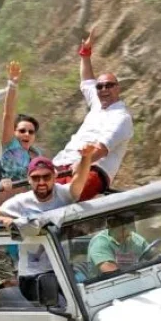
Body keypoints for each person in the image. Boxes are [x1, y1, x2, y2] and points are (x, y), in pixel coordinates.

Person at [0, 146, 95, 301]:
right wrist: (4, 220)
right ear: (29, 179)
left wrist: (86, 157)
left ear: (55, 176)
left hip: (62, 268)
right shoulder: (21, 202)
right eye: (36, 178)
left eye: (46, 177)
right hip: (33, 275)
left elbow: (78, 183)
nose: (41, 182)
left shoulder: (63, 194)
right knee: (63, 306)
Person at [52, 27, 133, 200]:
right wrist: (85, 53)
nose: (104, 89)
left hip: (93, 169)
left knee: (64, 200)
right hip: (63, 163)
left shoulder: (122, 118)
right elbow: (87, 81)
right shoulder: (97, 103)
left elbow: (101, 149)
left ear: (118, 88)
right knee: (34, 193)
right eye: (100, 86)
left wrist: (81, 165)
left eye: (109, 85)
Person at [0, 60, 43, 183]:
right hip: (10, 194)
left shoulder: (37, 154)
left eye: (31, 132)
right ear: (14, 132)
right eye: (22, 130)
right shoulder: (10, 145)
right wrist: (13, 84)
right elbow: (8, 115)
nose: (27, 134)